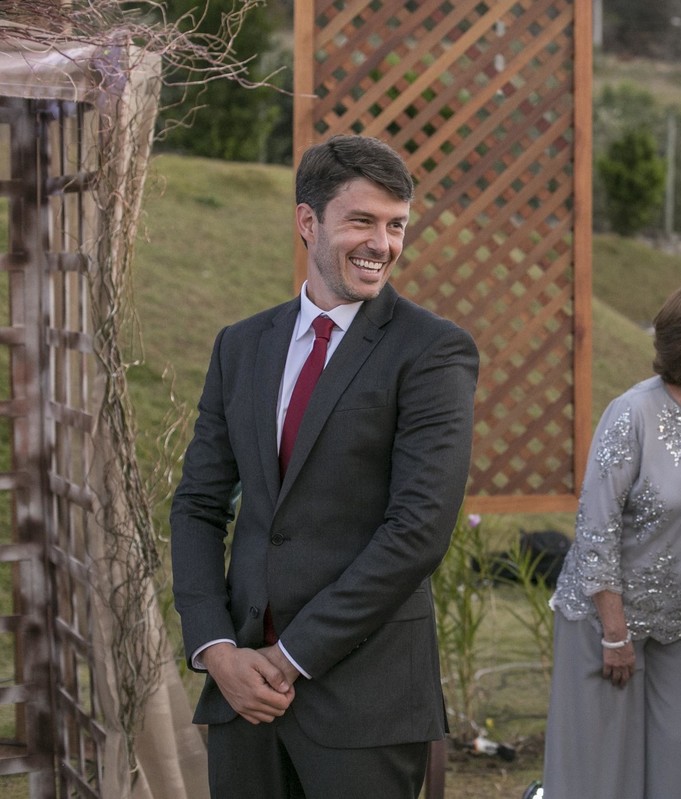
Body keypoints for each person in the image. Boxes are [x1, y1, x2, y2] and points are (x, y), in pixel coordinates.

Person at [170, 134, 479, 799]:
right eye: (362, 220)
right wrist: (218, 650)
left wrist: (289, 657)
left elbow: (418, 530)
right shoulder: (242, 346)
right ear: (308, 222)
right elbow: (197, 504)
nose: (383, 243)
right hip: (241, 696)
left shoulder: (433, 352)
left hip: (364, 703)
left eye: (396, 226)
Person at [542, 279, 681, 799]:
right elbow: (595, 529)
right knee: (597, 780)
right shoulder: (633, 413)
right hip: (603, 621)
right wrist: (615, 633)